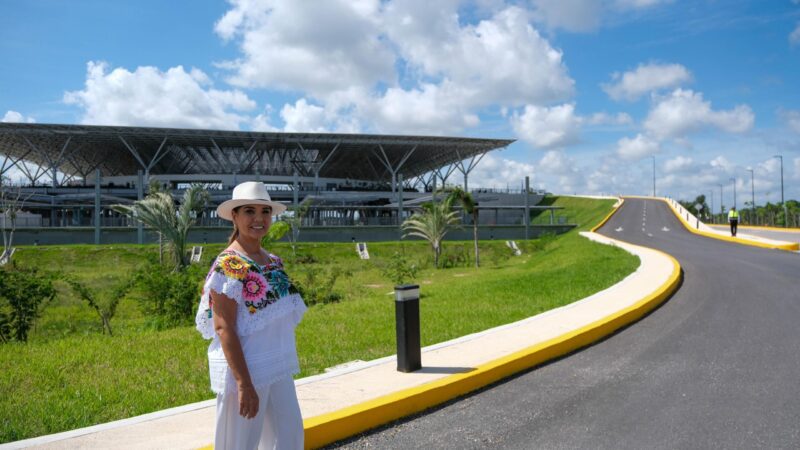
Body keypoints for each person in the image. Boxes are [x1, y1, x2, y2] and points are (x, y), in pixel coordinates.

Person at [195, 181, 306, 450]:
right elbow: (224, 328)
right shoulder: (229, 264)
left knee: (289, 437)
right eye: (249, 211)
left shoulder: (273, 261)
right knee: (240, 444)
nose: (259, 218)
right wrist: (244, 384)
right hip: (245, 371)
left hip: (276, 365)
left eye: (265, 211)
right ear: (234, 216)